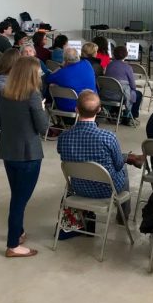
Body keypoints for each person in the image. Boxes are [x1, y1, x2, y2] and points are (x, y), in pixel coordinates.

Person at [0, 56, 50, 258]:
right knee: (19, 200)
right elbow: (43, 127)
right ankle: (12, 245)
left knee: (17, 194)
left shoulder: (1, 93)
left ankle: (19, 231)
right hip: (29, 153)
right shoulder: (33, 96)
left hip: (8, 151)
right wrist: (42, 110)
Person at [57, 90, 144, 219]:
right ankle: (123, 216)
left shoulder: (63, 137)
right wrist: (124, 159)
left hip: (78, 188)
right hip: (107, 190)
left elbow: (64, 156)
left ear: (76, 109)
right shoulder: (108, 137)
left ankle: (130, 157)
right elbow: (118, 165)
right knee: (122, 166)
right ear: (99, 110)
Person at [45, 47, 96, 112]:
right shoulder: (87, 63)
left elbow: (48, 79)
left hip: (69, 106)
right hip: (90, 104)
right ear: (78, 56)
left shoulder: (62, 73)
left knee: (52, 85)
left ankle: (48, 105)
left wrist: (61, 66)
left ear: (64, 60)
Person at [104, 45, 143, 123]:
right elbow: (133, 86)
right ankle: (130, 116)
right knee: (138, 94)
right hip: (121, 96)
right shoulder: (127, 67)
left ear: (114, 54)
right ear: (126, 55)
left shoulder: (109, 65)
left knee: (118, 89)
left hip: (107, 94)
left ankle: (114, 113)